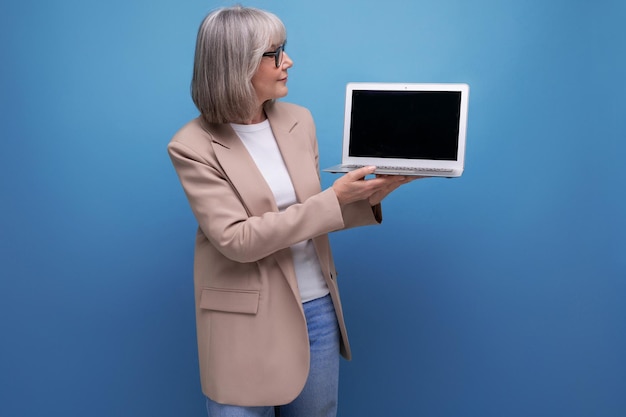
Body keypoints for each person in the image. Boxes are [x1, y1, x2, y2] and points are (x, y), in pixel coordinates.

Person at [167, 5, 416, 417]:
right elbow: (238, 240)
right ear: (237, 63)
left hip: (317, 307)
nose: (289, 61)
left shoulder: (299, 121)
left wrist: (370, 196)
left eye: (285, 50)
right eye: (275, 53)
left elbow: (311, 217)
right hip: (244, 322)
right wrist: (333, 200)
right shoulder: (191, 146)